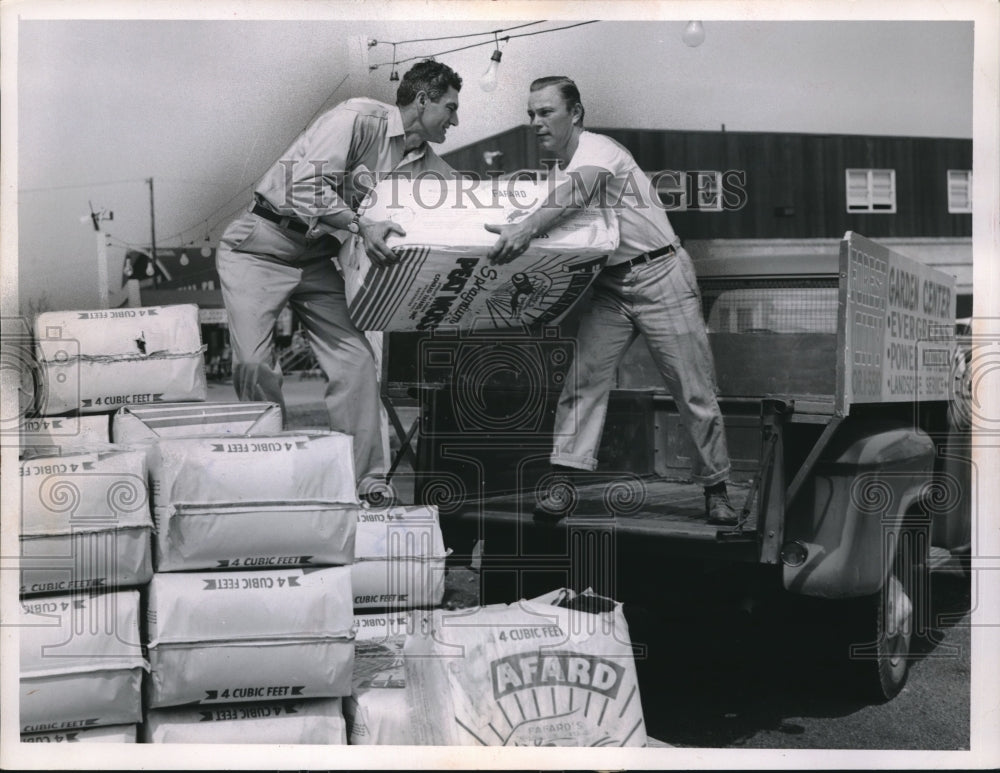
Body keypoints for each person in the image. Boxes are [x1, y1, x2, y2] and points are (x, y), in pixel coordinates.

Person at [485, 76, 737, 526]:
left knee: (692, 388)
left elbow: (575, 195)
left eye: (545, 112)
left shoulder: (598, 151)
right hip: (611, 287)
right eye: (530, 114)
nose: (535, 122)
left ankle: (716, 488)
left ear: (575, 113)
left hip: (661, 273)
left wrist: (524, 229)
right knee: (582, 382)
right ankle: (562, 482)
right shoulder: (555, 173)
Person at [216, 60, 462, 488]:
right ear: (422, 101)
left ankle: (367, 482)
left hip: (315, 259)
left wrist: (530, 218)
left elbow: (468, 201)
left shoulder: (424, 159)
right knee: (255, 364)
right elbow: (303, 187)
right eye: (450, 107)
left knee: (357, 363)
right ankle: (268, 476)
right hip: (259, 245)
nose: (455, 120)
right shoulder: (357, 118)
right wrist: (360, 225)